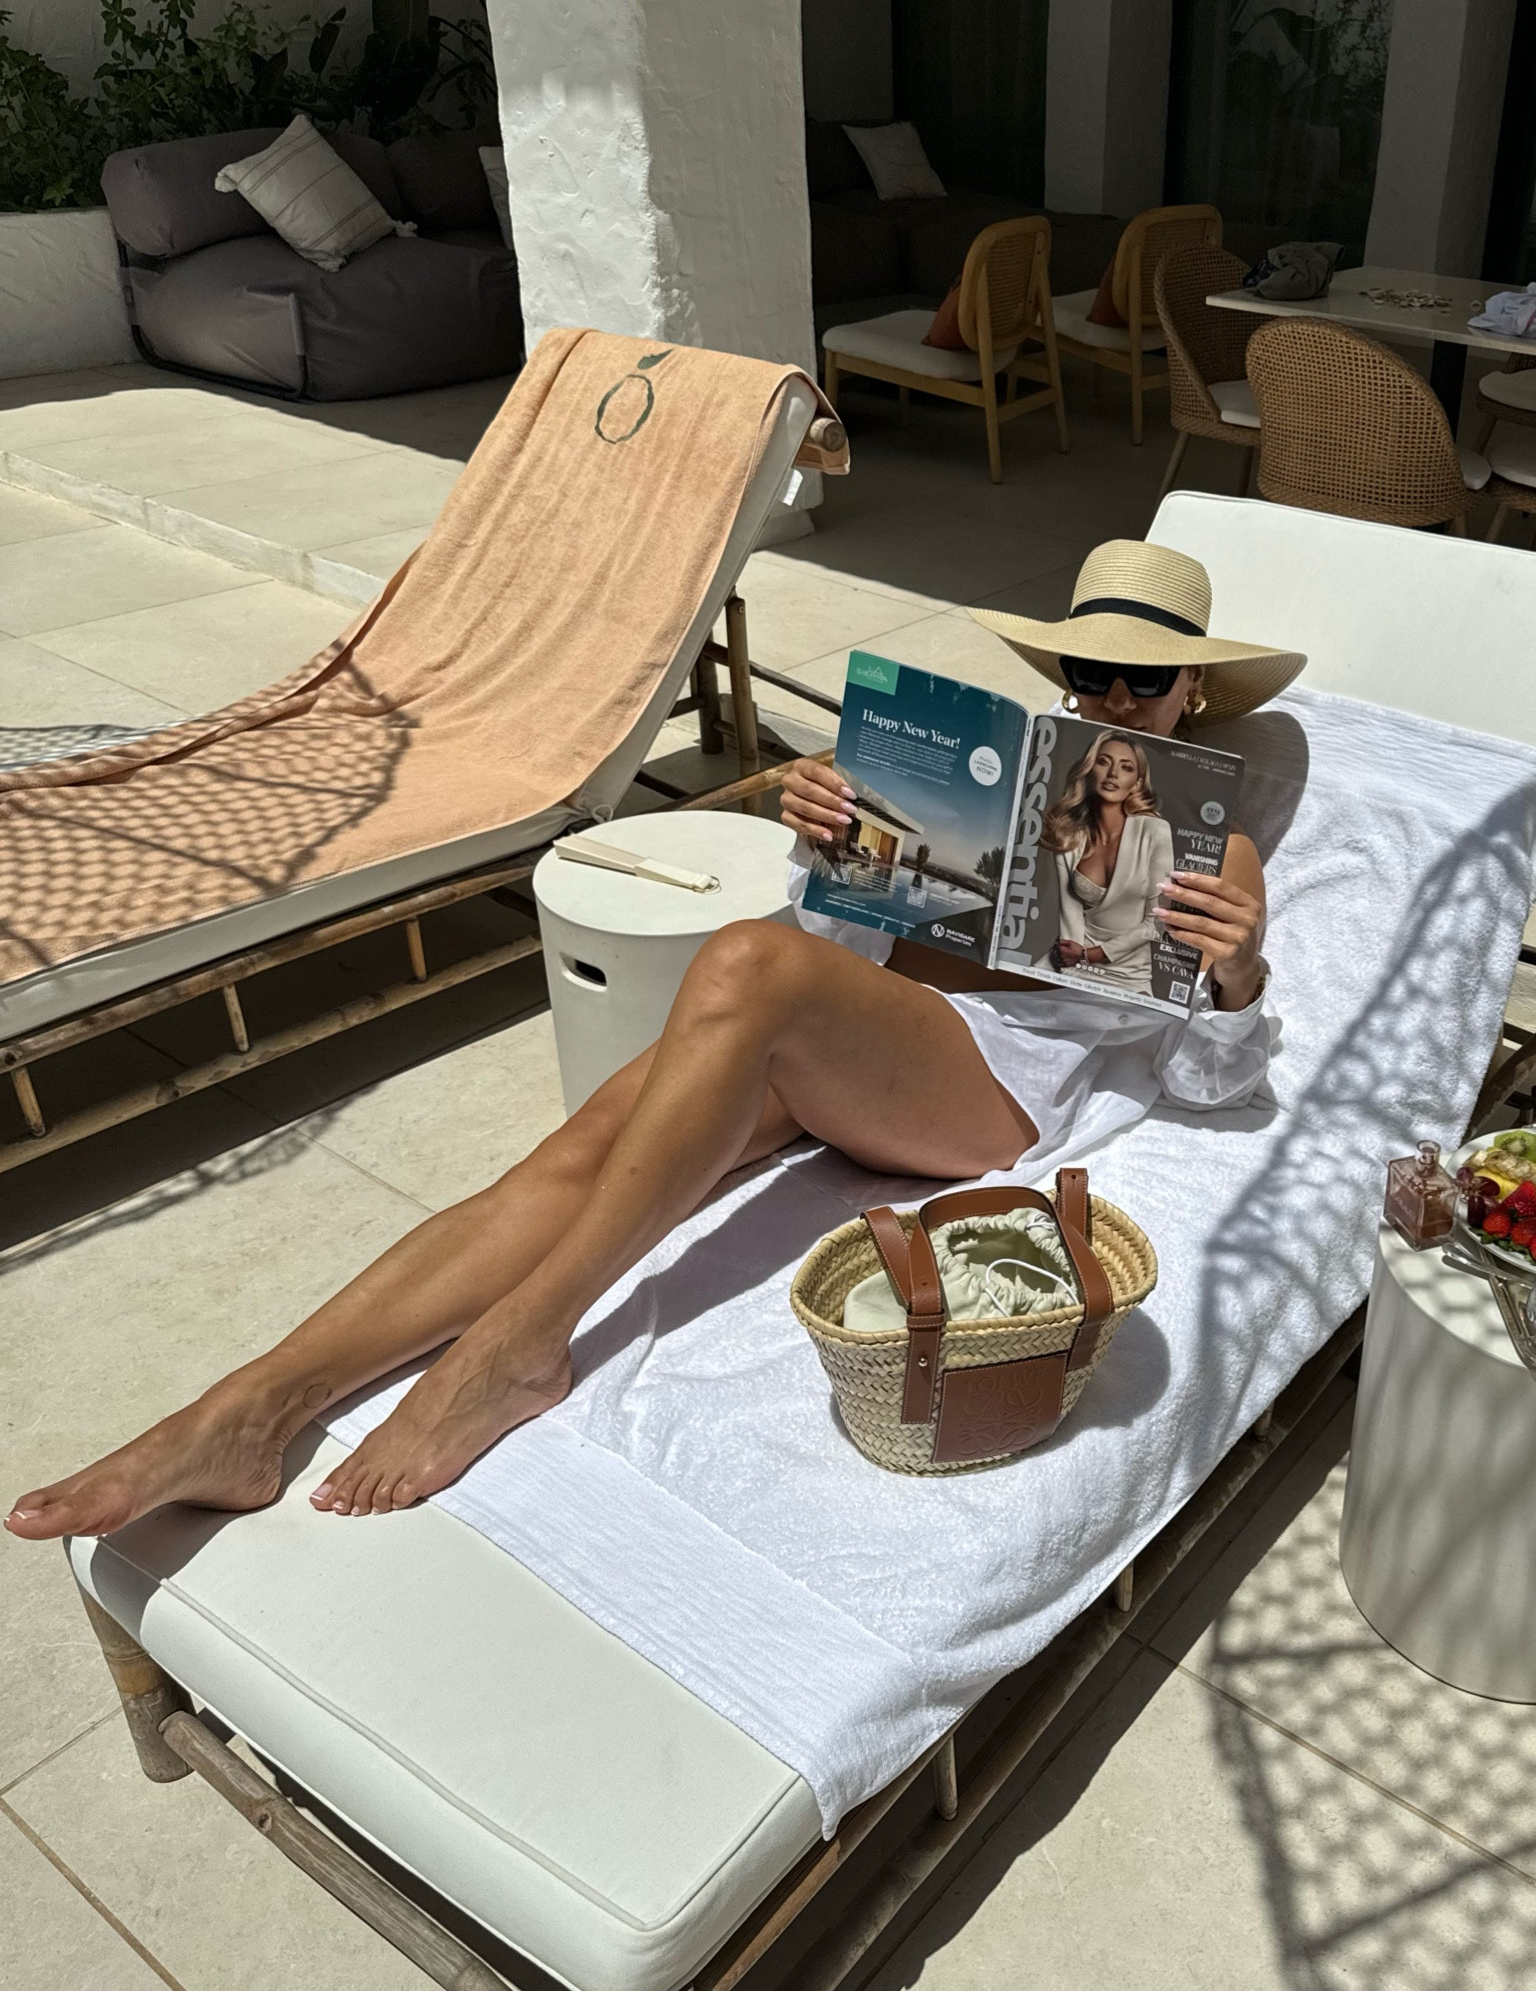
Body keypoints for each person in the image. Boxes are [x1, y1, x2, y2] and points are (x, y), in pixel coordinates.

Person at [5, 539, 1304, 1544]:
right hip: (870, 1049)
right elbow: (842, 965)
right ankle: (256, 1404)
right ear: (1062, 678)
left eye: (1152, 676)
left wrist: (1236, 978)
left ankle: (522, 1344)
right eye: (1095, 672)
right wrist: (831, 855)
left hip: (992, 1090)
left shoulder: (1211, 848)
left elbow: (1211, 1090)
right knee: (570, 1163)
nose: (1121, 698)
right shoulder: (983, 774)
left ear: (1197, 690)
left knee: (743, 964)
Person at [1042, 729, 1173, 995]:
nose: (1113, 774)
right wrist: (1073, 964)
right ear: (1090, 770)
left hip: (1127, 976)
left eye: (1125, 768)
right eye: (1103, 762)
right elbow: (1070, 917)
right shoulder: (1069, 837)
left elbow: (1158, 922)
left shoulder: (1155, 832)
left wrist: (1091, 955)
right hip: (1072, 963)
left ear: (1136, 783)